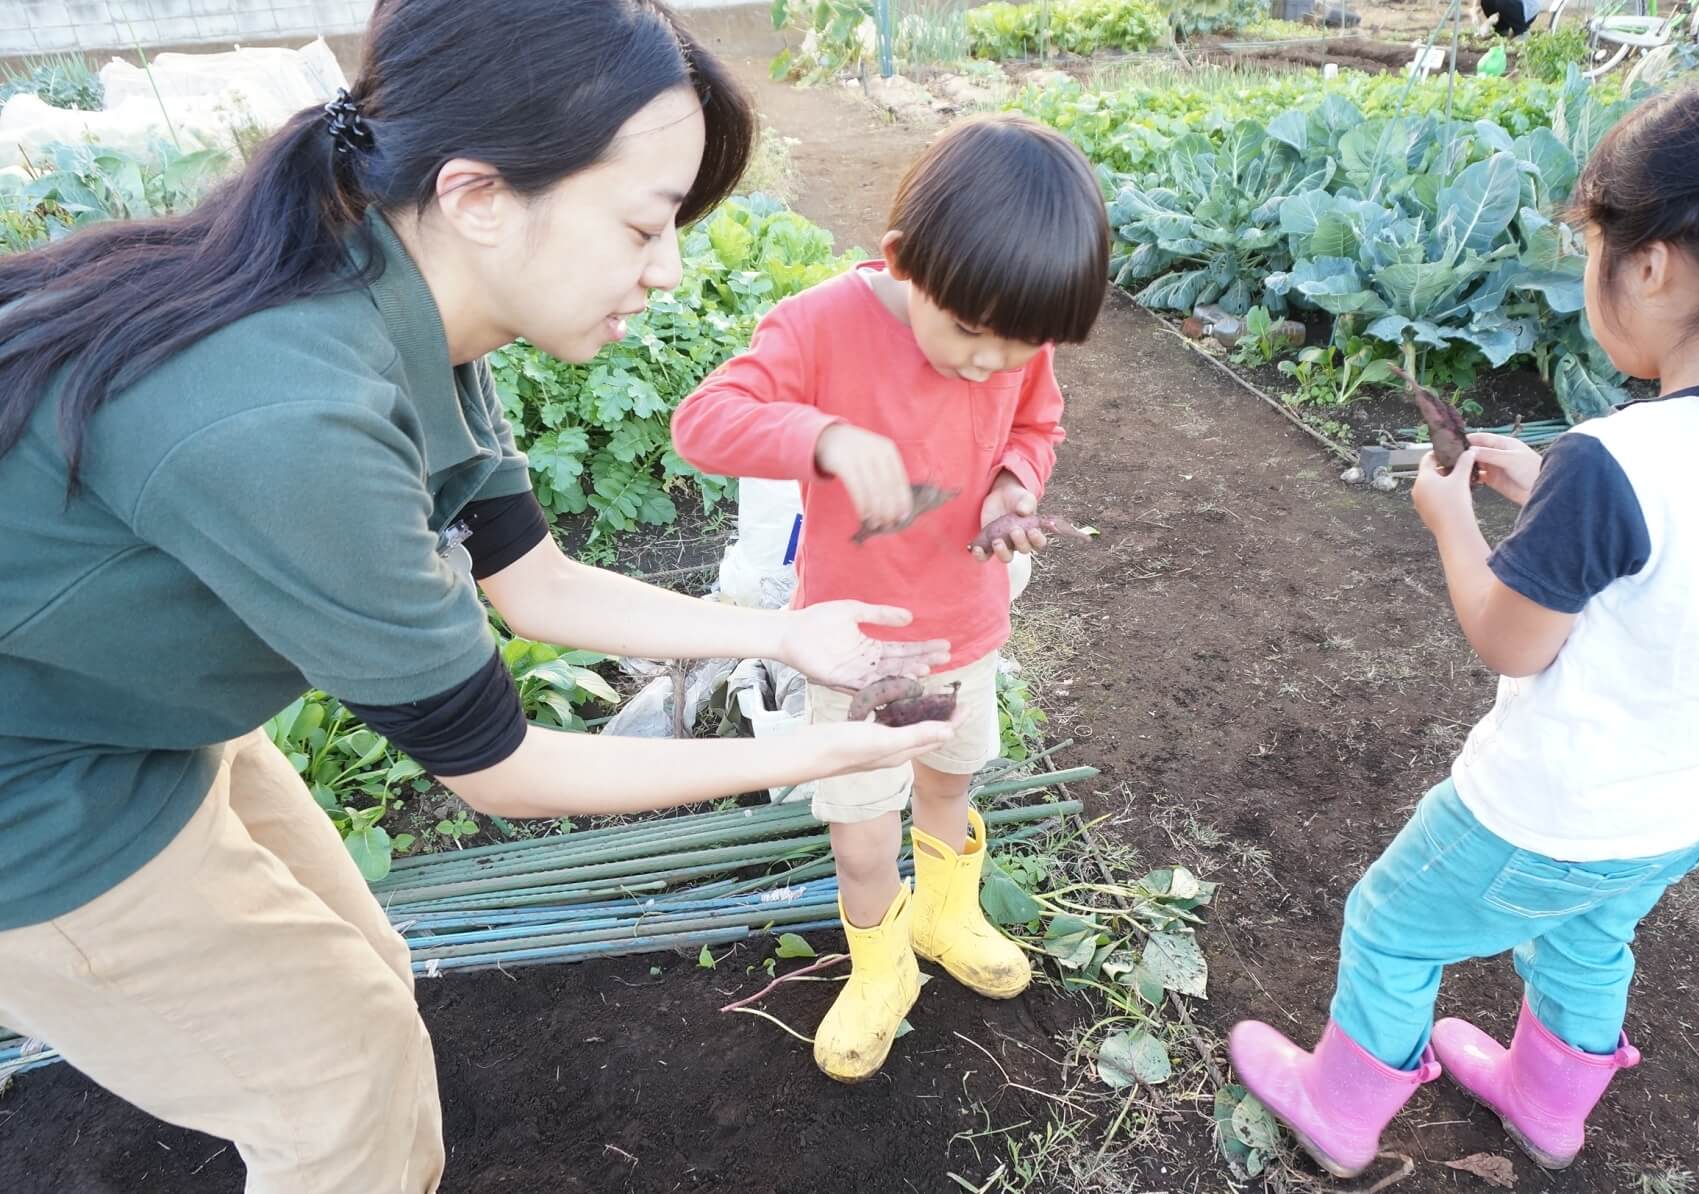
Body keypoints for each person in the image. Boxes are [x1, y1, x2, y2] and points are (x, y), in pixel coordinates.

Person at [0, 1, 961, 1188]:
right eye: (643, 225)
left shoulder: (417, 311)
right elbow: (504, 770)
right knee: (343, 1084)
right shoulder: (297, 418)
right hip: (31, 796)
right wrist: (823, 758)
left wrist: (785, 634)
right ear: (479, 196)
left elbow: (539, 586)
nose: (668, 271)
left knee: (367, 977)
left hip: (123, 702)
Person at [1227, 69, 1699, 1180]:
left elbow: (1510, 637)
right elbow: (1691, 559)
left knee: (1393, 921)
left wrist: (1452, 523)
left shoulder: (1619, 460)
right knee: (1589, 935)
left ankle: (1340, 1113)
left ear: (1648, 264)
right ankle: (1546, 1104)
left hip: (1558, 804)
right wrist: (1554, 498)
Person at [671, 114, 1110, 1082]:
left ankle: (950, 915)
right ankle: (880, 968)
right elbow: (702, 423)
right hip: (860, 648)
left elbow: (1037, 422)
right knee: (864, 826)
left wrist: (1013, 488)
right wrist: (819, 438)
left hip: (965, 628)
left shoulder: (1007, 336)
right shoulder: (823, 326)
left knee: (949, 781)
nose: (988, 363)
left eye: (1018, 345)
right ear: (904, 261)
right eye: (971, 335)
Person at [1472, 0, 1541, 37]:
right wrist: (1474, 11)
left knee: (1502, 2)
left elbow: (1505, 4)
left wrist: (1488, 22)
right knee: (1487, 1)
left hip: (1527, 9)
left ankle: (1521, 32)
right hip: (1511, 4)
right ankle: (1502, 31)